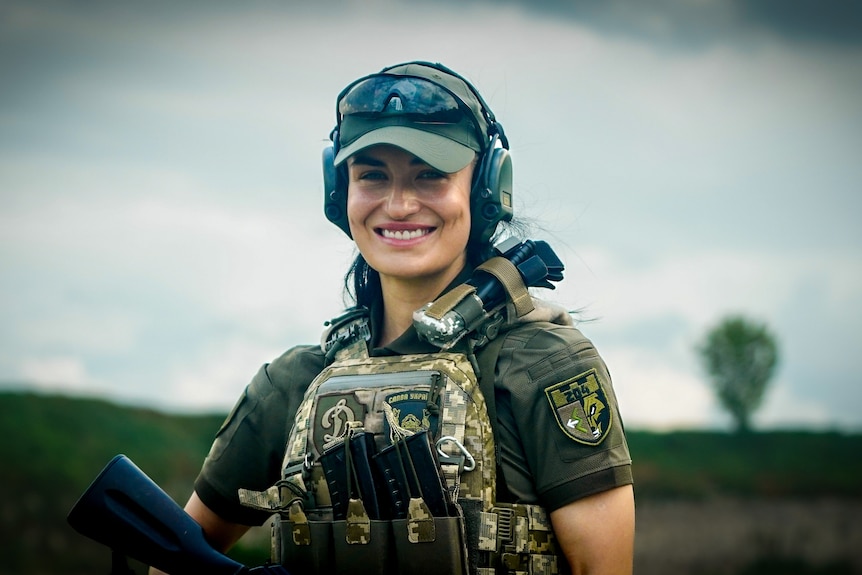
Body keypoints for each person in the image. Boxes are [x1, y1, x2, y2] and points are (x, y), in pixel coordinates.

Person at [151, 61, 634, 575]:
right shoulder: (293, 384)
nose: (399, 204)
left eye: (431, 176)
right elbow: (174, 560)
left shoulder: (545, 366)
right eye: (372, 176)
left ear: (486, 188)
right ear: (340, 192)